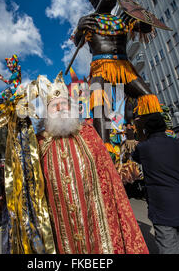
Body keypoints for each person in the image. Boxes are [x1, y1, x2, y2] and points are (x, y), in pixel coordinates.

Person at [35, 74, 148, 254]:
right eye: (54, 106)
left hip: (95, 222)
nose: (60, 108)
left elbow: (109, 178)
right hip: (57, 226)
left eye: (64, 104)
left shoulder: (88, 134)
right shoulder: (38, 143)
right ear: (47, 113)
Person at [70, 0, 168, 144]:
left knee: (148, 97)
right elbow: (77, 42)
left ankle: (154, 141)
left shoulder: (124, 19)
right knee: (99, 102)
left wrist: (138, 13)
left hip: (125, 68)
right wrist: (80, 27)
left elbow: (146, 27)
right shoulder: (88, 21)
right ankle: (105, 150)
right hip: (100, 68)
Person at [132, 113, 179, 254]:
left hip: (160, 202)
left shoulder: (143, 147)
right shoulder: (178, 145)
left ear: (147, 130)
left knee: (167, 243)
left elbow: (135, 158)